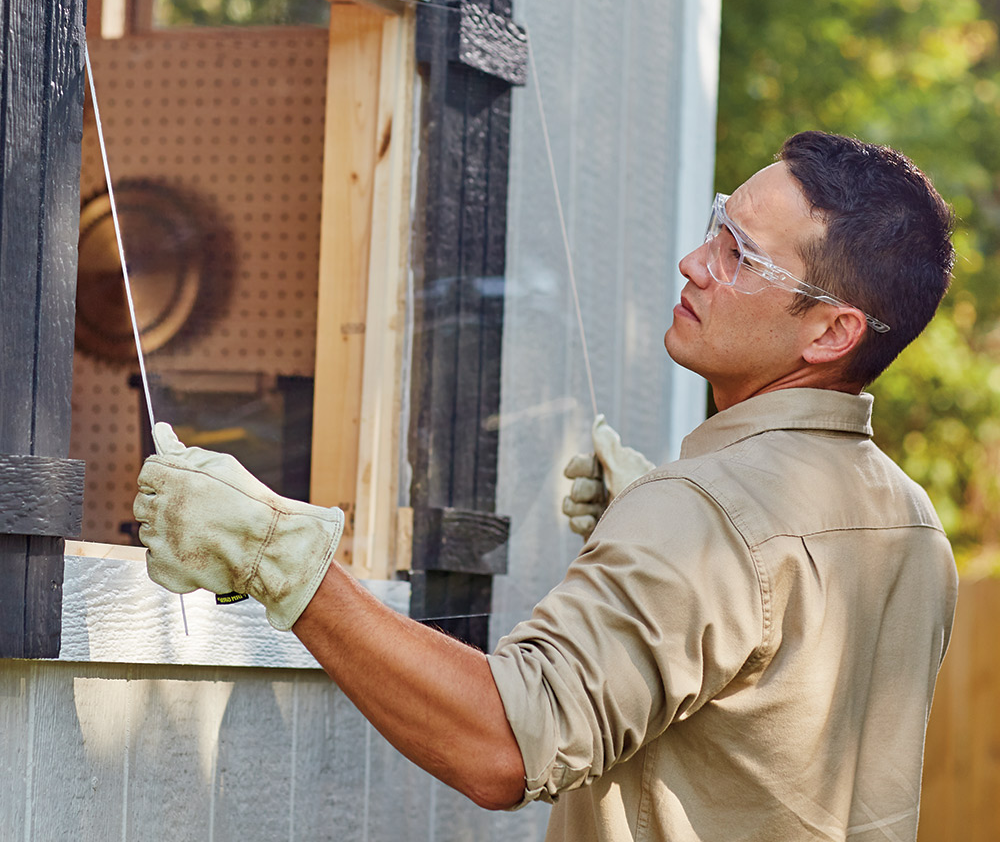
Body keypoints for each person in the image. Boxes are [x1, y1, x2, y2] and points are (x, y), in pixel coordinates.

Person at [133, 131, 958, 841]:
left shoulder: (706, 517)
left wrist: (274, 559)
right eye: (718, 226)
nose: (695, 263)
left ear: (831, 331)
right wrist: (662, 533)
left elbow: (502, 744)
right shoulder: (914, 527)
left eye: (739, 256)